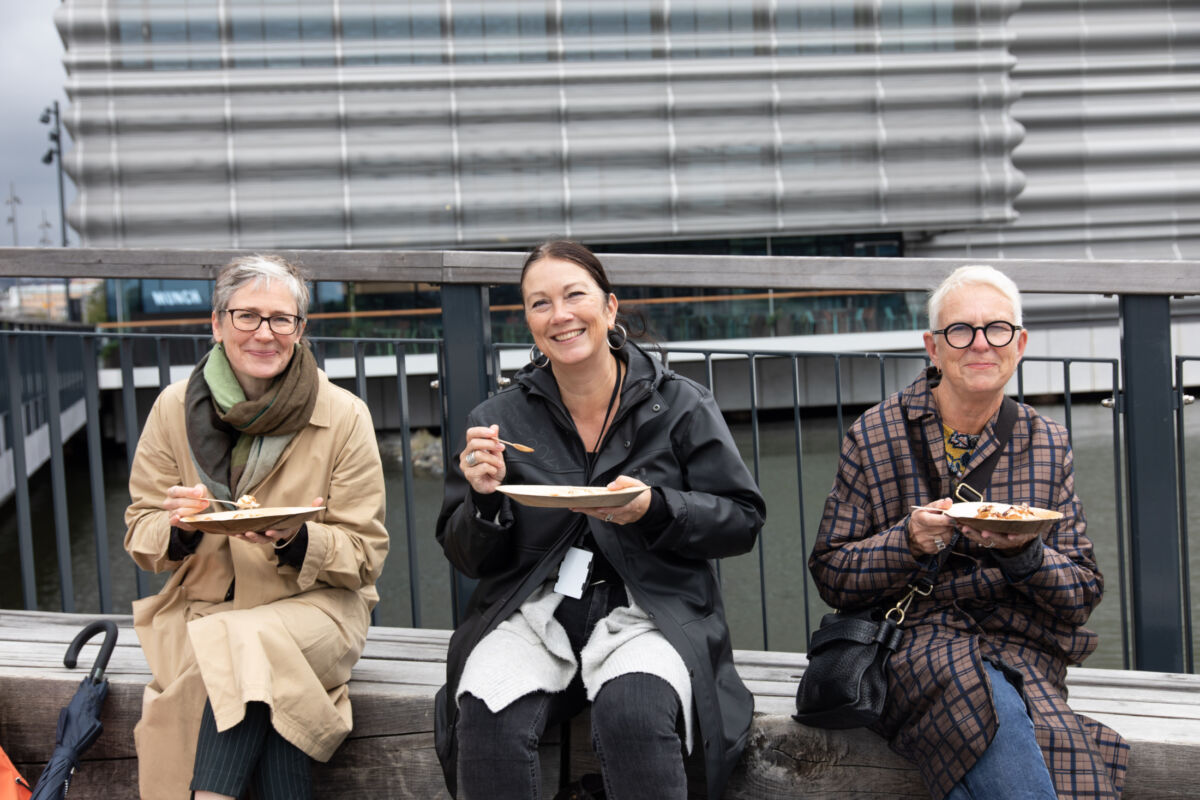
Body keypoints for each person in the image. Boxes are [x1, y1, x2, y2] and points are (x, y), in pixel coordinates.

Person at [434, 240, 766, 800]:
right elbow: (467, 556)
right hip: (534, 614)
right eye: (540, 303)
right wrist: (484, 499)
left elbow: (742, 519)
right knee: (485, 712)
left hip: (650, 611)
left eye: (574, 296)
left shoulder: (680, 405)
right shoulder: (497, 419)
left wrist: (655, 508)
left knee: (633, 718)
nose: (559, 315)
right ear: (528, 321)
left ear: (609, 307)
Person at [810, 265, 1128, 800]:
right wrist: (906, 541)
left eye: (997, 329)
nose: (980, 344)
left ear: (1019, 343)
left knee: (1036, 733)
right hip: (911, 642)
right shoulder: (876, 433)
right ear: (933, 347)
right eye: (961, 331)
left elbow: (1081, 595)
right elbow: (831, 573)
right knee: (989, 704)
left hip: (1020, 644)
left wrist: (1026, 553)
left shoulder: (1047, 441)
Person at [124, 254, 388, 799]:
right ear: (217, 323)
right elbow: (139, 532)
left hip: (319, 608)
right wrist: (182, 527)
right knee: (255, 674)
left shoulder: (344, 415)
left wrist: (295, 537)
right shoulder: (173, 409)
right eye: (247, 316)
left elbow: (366, 554)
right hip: (205, 607)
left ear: (300, 329)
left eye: (280, 319)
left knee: (239, 646)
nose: (264, 333)